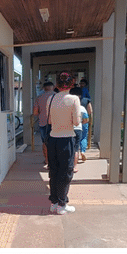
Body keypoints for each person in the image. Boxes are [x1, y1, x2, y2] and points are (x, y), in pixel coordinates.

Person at [46, 72, 81, 215]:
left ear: (57, 84)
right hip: (66, 139)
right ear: (72, 84)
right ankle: (62, 203)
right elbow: (77, 122)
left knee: (53, 170)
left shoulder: (51, 98)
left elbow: (49, 121)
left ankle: (54, 202)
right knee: (65, 172)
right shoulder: (74, 99)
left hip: (52, 138)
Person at [33, 82, 56, 168]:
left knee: (45, 142)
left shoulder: (39, 98)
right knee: (56, 142)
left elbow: (35, 113)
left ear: (44, 88)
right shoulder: (57, 96)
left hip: (43, 123)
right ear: (53, 87)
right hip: (56, 123)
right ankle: (55, 160)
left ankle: (47, 160)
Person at [69, 87, 90, 172]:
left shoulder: (66, 107)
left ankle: (67, 165)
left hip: (68, 130)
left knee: (68, 147)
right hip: (78, 128)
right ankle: (74, 166)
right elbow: (86, 118)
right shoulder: (82, 107)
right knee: (76, 147)